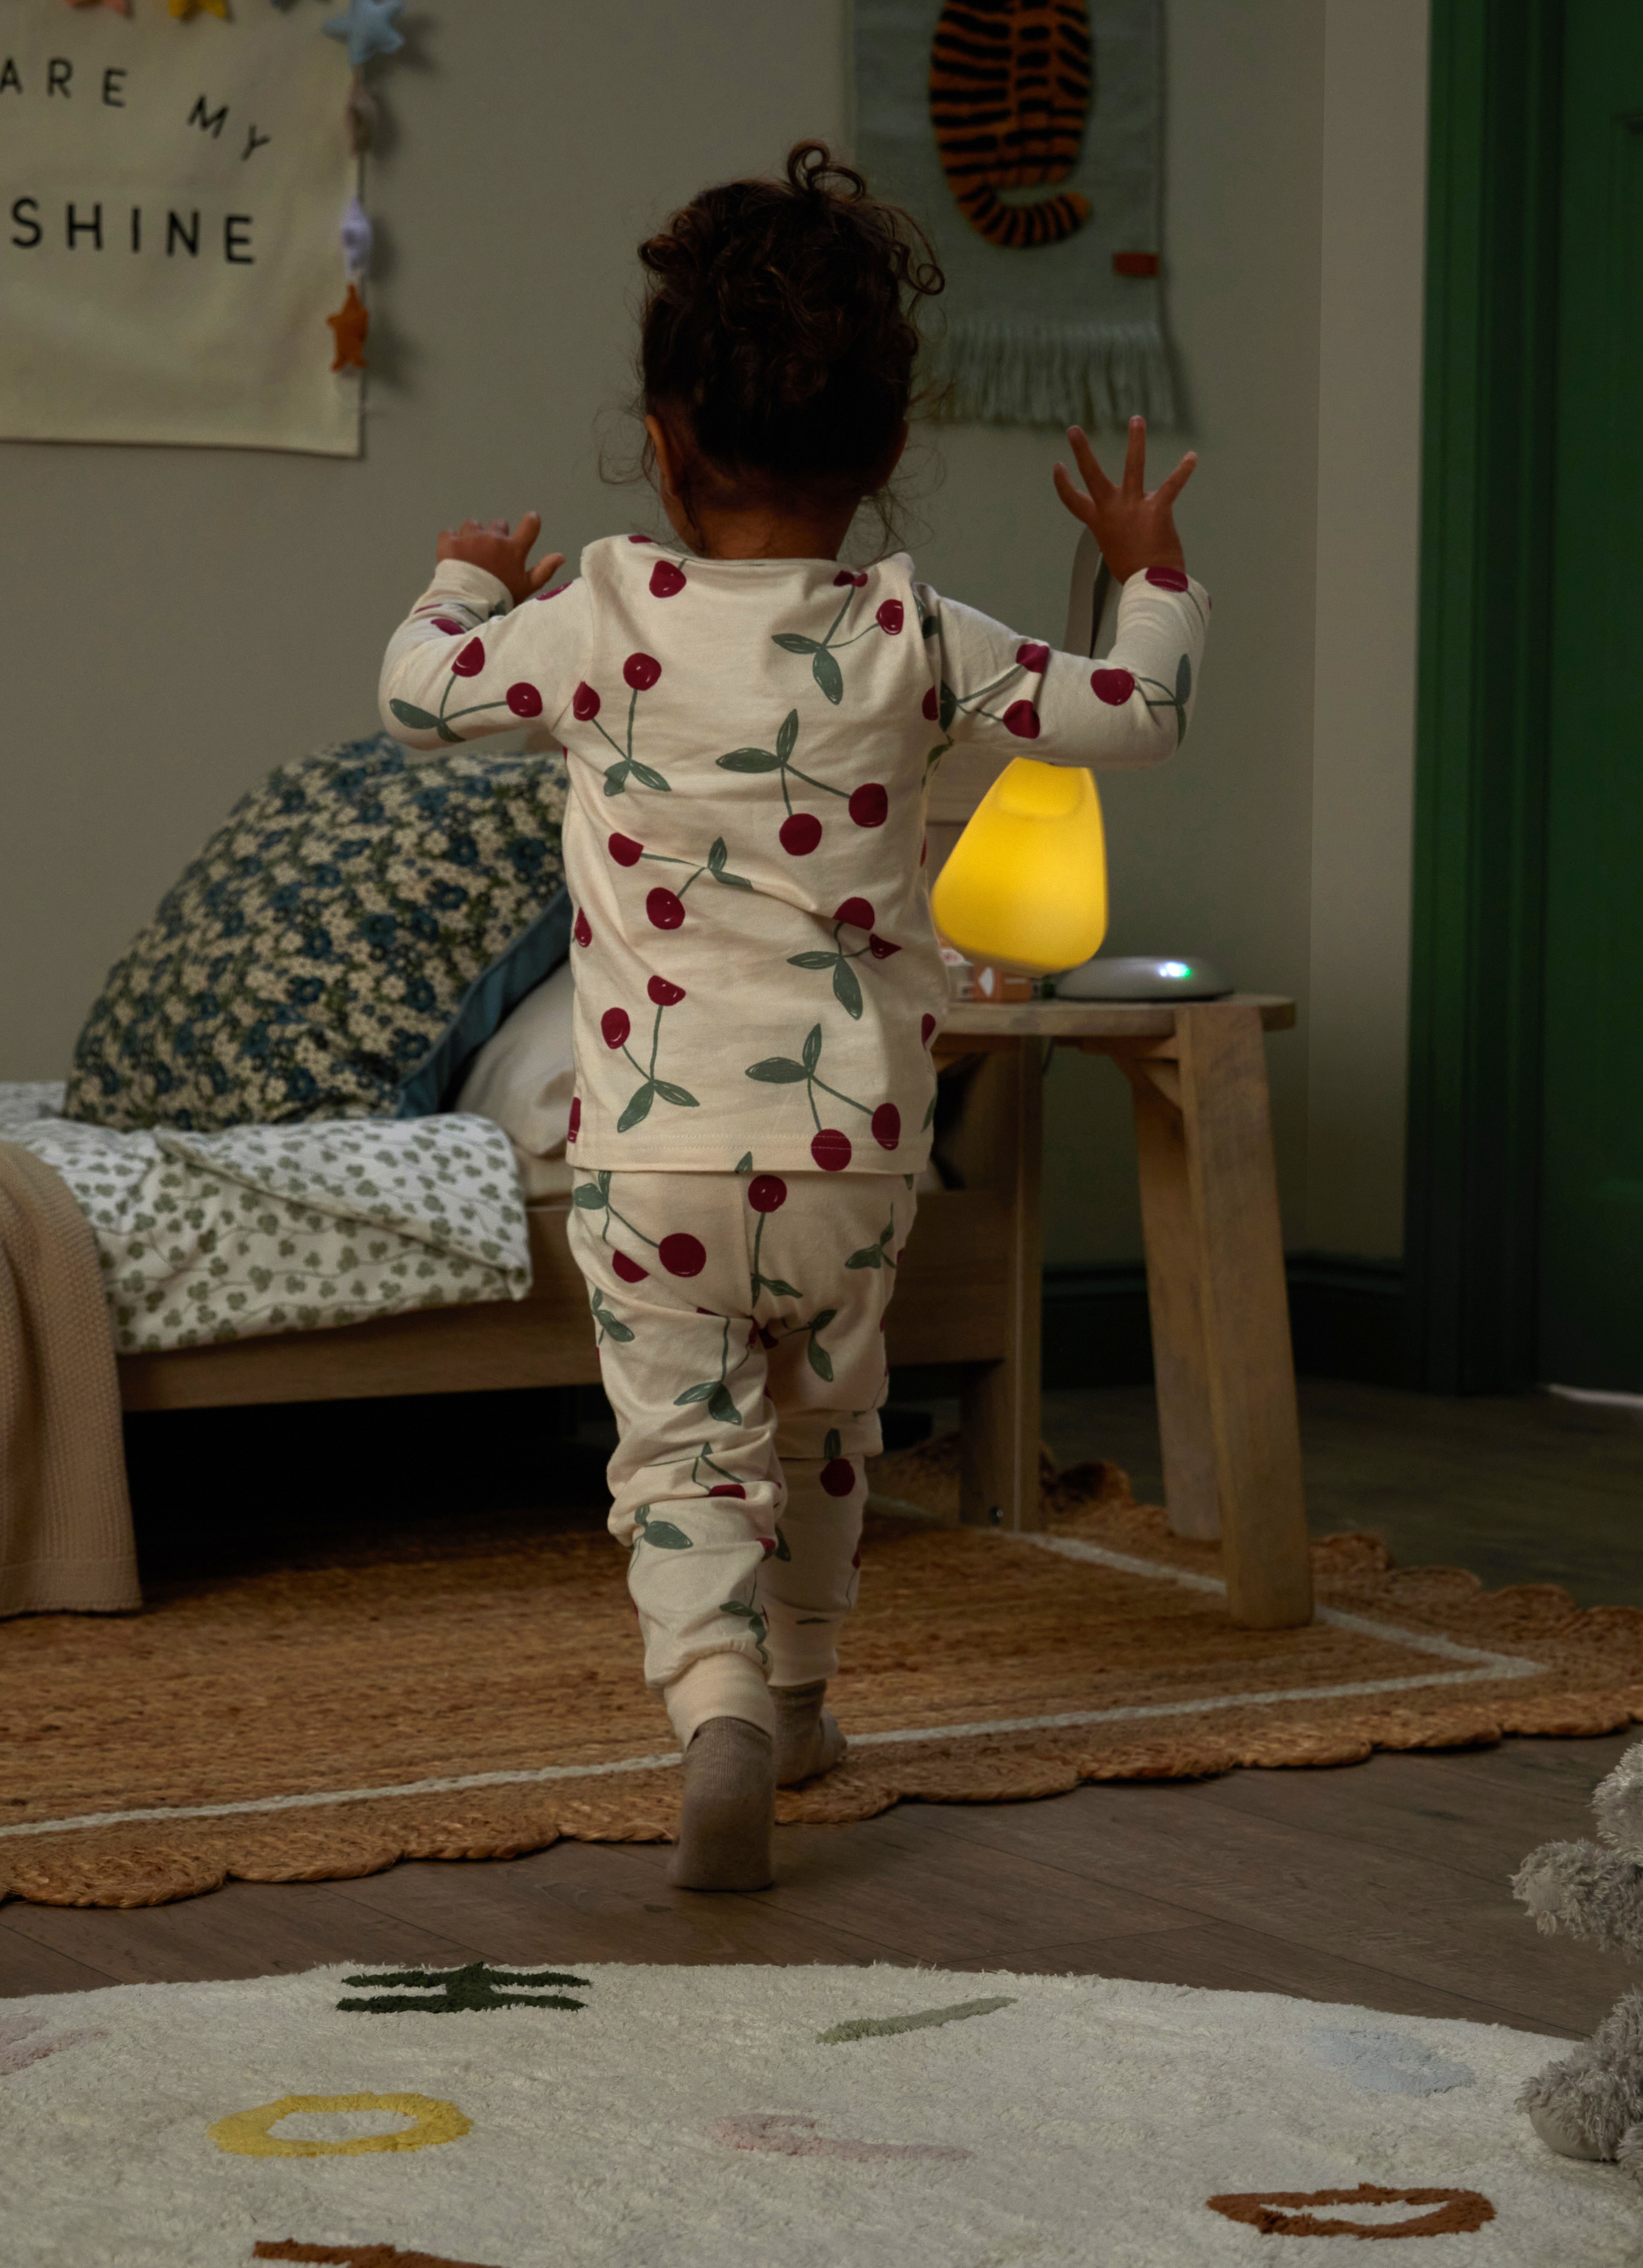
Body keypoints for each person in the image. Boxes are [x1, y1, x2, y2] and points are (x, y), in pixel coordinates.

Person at [377, 141, 1206, 1890]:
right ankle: (812, 1694)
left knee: (681, 1456)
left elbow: (418, 696)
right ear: (889, 451)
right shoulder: (915, 632)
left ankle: (722, 1706)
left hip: (653, 1159)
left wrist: (468, 582)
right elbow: (1138, 714)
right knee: (831, 1430)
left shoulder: (598, 617)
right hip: (854, 1156)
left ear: (663, 442)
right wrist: (1149, 567)